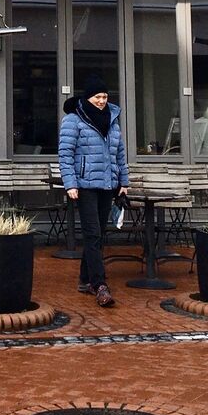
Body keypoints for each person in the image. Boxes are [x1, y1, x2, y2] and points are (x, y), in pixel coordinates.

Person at [58, 73, 129, 307]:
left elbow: (119, 154)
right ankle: (100, 285)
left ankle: (84, 279)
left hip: (107, 185)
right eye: (97, 97)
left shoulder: (113, 119)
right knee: (93, 234)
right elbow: (65, 154)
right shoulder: (73, 120)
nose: (101, 101)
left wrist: (124, 182)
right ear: (88, 97)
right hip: (84, 185)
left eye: (105, 97)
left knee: (98, 233)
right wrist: (70, 184)